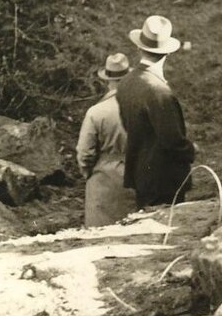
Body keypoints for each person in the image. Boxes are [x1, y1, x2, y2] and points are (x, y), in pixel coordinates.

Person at [117, 15, 195, 208]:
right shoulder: (158, 91)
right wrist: (191, 150)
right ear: (167, 52)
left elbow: (128, 126)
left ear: (139, 47)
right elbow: (172, 140)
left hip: (140, 175)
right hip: (164, 181)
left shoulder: (126, 82)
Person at [76, 53, 138, 227]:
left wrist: (88, 173)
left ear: (107, 81)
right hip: (137, 175)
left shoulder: (96, 112)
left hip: (104, 179)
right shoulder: (143, 107)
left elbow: (85, 152)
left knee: (101, 233)